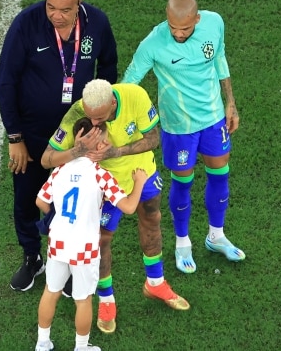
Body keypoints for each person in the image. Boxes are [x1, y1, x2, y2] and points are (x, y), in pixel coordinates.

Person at [41, 79, 190, 335]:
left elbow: (154, 138)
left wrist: (116, 153)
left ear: (112, 103)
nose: (94, 123)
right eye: (90, 116)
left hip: (142, 173)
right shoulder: (79, 112)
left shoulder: (135, 96)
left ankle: (155, 282)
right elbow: (46, 159)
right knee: (101, 239)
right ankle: (106, 300)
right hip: (104, 184)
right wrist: (76, 151)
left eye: (99, 118)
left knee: (152, 219)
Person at [0, 0, 118, 291]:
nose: (57, 16)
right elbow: (6, 80)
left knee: (76, 201)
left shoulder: (97, 23)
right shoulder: (26, 23)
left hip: (79, 134)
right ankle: (31, 256)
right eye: (52, 8)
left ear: (79, 4)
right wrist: (15, 137)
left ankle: (67, 260)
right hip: (33, 134)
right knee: (26, 198)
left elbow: (109, 66)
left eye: (65, 10)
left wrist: (99, 118)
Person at [121, 0, 245, 274]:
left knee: (220, 173)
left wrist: (231, 103)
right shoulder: (154, 43)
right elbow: (129, 82)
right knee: (183, 181)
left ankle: (216, 235)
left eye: (185, 29)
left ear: (196, 20)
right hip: (178, 127)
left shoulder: (214, 23)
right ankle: (182, 242)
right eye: (172, 27)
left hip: (213, 118)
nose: (177, 34)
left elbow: (220, 58)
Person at [34, 117, 147, 351]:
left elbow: (41, 201)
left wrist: (59, 218)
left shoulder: (59, 170)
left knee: (51, 292)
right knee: (82, 299)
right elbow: (128, 207)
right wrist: (139, 182)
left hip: (58, 242)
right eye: (103, 140)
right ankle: (81, 347)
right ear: (97, 144)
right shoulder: (101, 174)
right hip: (84, 247)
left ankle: (42, 343)